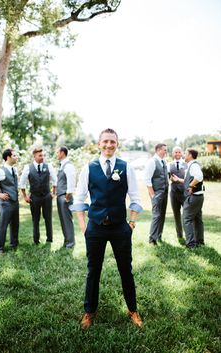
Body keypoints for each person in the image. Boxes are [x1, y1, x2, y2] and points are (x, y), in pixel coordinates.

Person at [71, 128, 143, 329]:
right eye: (105, 141)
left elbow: (135, 197)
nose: (109, 145)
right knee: (93, 270)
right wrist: (84, 226)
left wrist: (131, 222)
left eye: (112, 141)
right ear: (99, 144)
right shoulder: (89, 167)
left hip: (120, 227)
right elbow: (79, 198)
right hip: (95, 228)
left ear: (117, 144)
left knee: (125, 270)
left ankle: (133, 309)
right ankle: (89, 311)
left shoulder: (126, 167)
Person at [20, 148, 57, 244]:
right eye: (40, 155)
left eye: (43, 155)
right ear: (34, 156)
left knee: (48, 218)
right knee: (35, 219)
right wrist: (25, 196)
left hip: (46, 196)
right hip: (34, 197)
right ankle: (36, 240)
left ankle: (50, 239)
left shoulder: (49, 166)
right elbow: (22, 183)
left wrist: (53, 193)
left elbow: (55, 180)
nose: (42, 157)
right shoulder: (28, 167)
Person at [172, 148, 204, 248]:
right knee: (197, 219)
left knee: (186, 219)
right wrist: (179, 180)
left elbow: (199, 177)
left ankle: (190, 244)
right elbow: (190, 179)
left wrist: (190, 186)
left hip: (193, 197)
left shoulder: (194, 165)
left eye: (185, 153)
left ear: (190, 155)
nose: (183, 155)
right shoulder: (192, 165)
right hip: (198, 197)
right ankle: (199, 241)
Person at [144, 143, 168, 245]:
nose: (166, 152)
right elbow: (147, 179)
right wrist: (152, 194)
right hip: (157, 193)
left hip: (165, 192)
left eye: (166, 150)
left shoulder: (164, 162)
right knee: (156, 215)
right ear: (158, 150)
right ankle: (152, 239)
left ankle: (159, 236)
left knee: (162, 215)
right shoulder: (152, 162)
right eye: (164, 150)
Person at [56, 146, 76, 248]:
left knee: (67, 220)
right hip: (60, 196)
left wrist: (68, 196)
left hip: (65, 196)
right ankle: (67, 241)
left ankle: (71, 243)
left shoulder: (68, 166)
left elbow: (71, 182)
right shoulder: (62, 165)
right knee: (63, 220)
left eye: (57, 152)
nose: (56, 154)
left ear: (62, 153)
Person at [168, 146, 187, 241]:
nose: (177, 154)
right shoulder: (169, 165)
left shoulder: (187, 164)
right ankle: (179, 235)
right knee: (176, 214)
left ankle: (189, 234)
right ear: (173, 154)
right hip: (174, 193)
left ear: (182, 153)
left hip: (185, 192)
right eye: (175, 152)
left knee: (187, 214)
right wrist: (169, 179)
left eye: (179, 152)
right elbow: (166, 177)